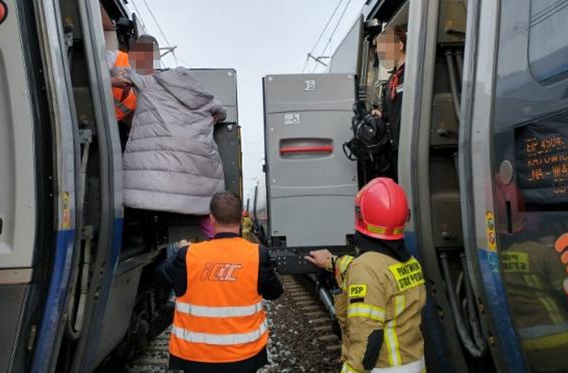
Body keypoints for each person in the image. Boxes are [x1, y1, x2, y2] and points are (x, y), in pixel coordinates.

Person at [306, 178, 427, 373]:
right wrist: (331, 261)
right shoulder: (409, 262)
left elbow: (367, 341)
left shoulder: (366, 269)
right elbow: (378, 276)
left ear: (361, 215)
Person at [158, 192, 283, 373]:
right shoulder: (257, 254)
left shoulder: (188, 255)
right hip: (244, 356)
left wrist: (179, 253)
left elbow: (160, 275)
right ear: (241, 217)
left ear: (211, 219)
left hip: (194, 357)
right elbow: (274, 292)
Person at [113, 35, 228, 215]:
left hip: (150, 188)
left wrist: (113, 78)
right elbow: (222, 111)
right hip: (199, 193)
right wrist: (214, 118)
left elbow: (116, 75)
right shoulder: (202, 96)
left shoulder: (148, 83)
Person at [373, 26, 407, 181]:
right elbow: (389, 115)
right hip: (396, 148)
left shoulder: (414, 72)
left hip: (411, 143)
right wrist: (380, 116)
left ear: (400, 45)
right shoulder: (389, 83)